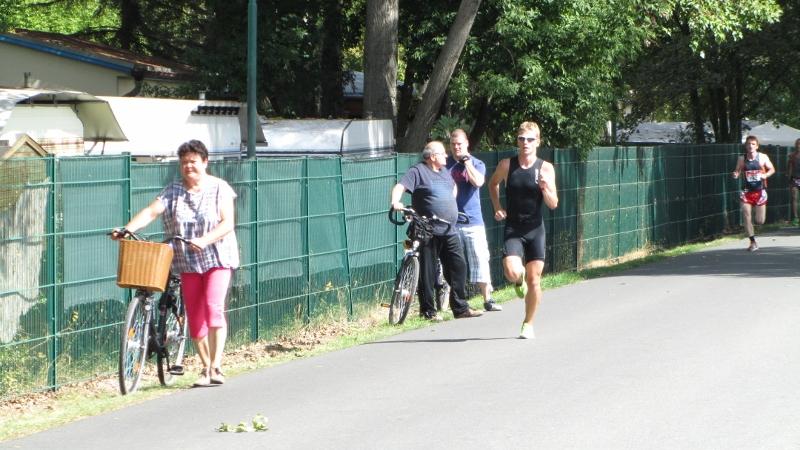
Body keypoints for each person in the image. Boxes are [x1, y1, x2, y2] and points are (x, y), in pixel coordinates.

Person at [111, 140, 239, 386]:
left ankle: (216, 366)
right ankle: (205, 368)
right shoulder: (173, 191)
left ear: (205, 162)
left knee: (213, 308)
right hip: (186, 261)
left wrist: (204, 240)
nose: (188, 166)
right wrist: (127, 229)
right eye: (184, 163)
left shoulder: (219, 188)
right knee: (195, 315)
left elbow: (227, 223)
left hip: (217, 257)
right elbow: (151, 212)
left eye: (193, 161)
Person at [390, 141, 484, 321]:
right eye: (442, 153)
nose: (446, 156)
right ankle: (428, 311)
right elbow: (400, 187)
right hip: (427, 229)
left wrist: (448, 202)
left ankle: (460, 308)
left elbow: (453, 187)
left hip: (449, 228)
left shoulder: (444, 172)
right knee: (427, 272)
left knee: (459, 266)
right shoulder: (418, 171)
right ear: (432, 156)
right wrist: (396, 202)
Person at [488, 121, 558, 339]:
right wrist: (498, 207)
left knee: (534, 280)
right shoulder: (506, 165)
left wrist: (545, 188)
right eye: (521, 139)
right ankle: (519, 281)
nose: (525, 143)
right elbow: (492, 184)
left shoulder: (545, 168)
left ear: (538, 142)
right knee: (512, 272)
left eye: (530, 139)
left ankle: (528, 323)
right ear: (517, 141)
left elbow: (553, 203)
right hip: (514, 228)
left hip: (535, 229)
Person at [445, 128, 501, 312]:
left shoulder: (477, 163)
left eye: (459, 144)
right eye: (453, 144)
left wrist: (466, 163)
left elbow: (478, 182)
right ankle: (448, 304)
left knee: (480, 259)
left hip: (472, 221)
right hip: (450, 221)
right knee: (450, 263)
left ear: (467, 143)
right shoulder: (444, 164)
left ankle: (487, 299)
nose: (456, 147)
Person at [732, 135, 775, 252]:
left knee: (760, 221)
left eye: (753, 144)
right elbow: (737, 170)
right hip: (746, 192)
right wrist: (736, 174)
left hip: (760, 192)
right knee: (746, 215)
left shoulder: (763, 157)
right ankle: (752, 242)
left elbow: (772, 169)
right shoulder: (742, 158)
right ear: (745, 146)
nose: (750, 146)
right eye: (748, 144)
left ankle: (756, 220)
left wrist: (765, 175)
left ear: (757, 146)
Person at [787, 138, 800, 226]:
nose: (799, 146)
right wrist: (789, 177)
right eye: (797, 144)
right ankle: (795, 218)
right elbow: (789, 167)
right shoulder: (792, 155)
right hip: (795, 179)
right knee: (794, 197)